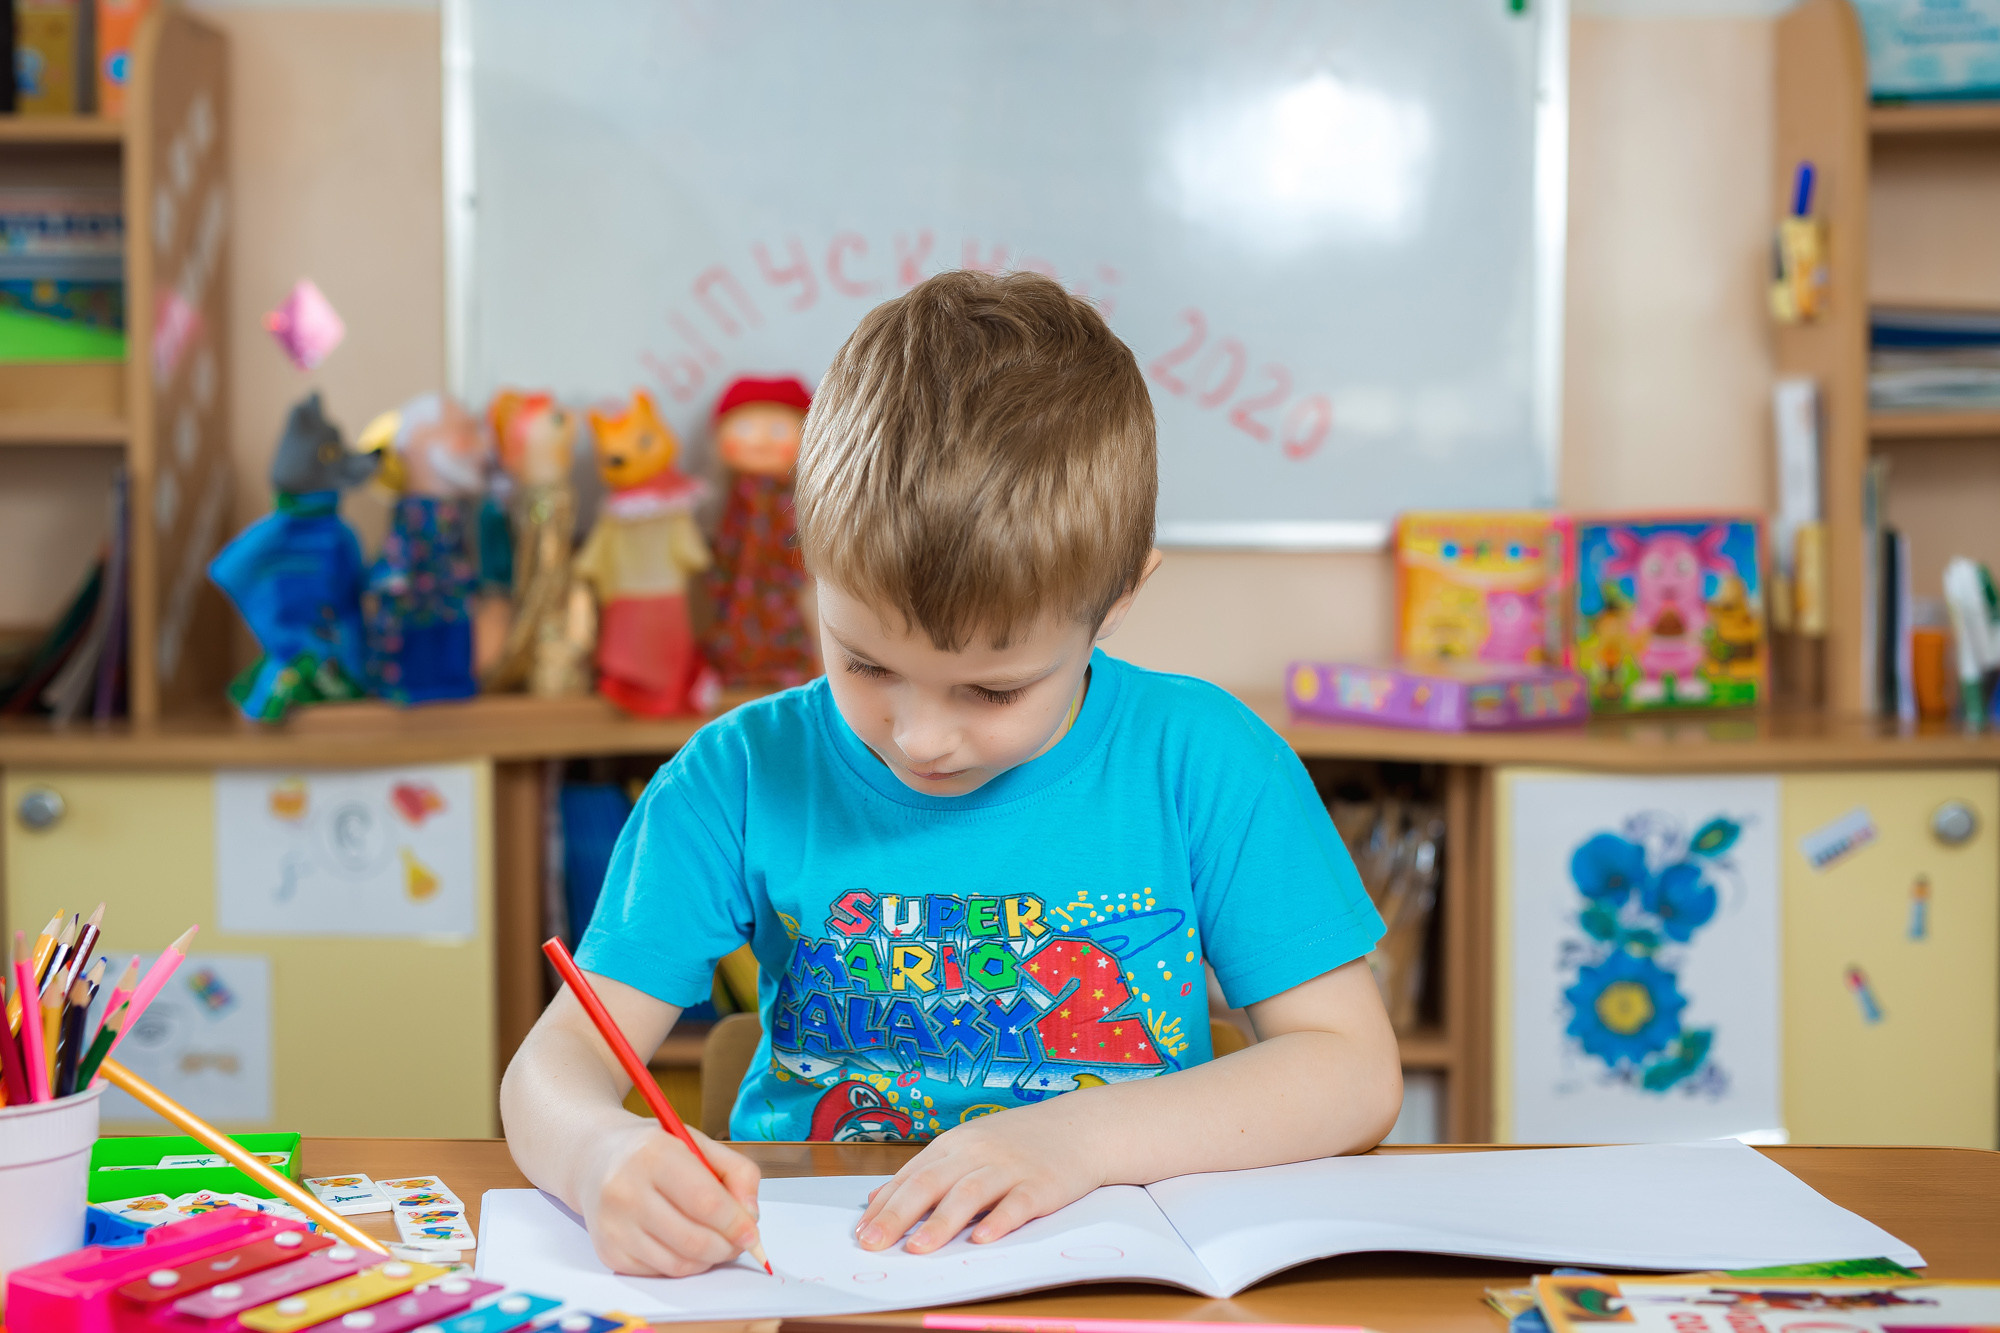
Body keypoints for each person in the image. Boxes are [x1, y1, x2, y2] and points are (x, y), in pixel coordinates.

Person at [500, 270, 1401, 1279]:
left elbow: (1351, 1069)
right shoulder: (738, 776)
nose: (920, 736)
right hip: (815, 1271)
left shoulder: (1203, 762)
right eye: (866, 663)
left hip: (1112, 1276)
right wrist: (597, 1153)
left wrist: (1072, 1140)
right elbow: (553, 1067)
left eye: (991, 690)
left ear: (1112, 603)